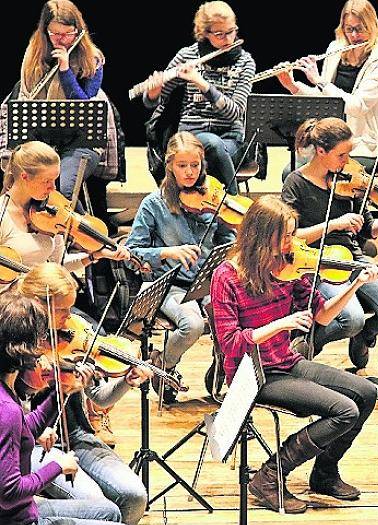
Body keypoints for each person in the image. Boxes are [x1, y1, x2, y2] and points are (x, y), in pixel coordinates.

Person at [210, 195, 378, 513]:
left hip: (286, 361)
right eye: (285, 235)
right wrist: (281, 324)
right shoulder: (227, 277)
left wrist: (354, 285)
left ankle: (325, 472)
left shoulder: (289, 266)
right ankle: (270, 475)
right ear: (262, 237)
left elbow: (324, 315)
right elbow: (231, 343)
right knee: (345, 410)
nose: (293, 241)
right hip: (254, 372)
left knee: (367, 392)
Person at [15, 263, 150, 525]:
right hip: (37, 445)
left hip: (77, 435)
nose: (70, 317)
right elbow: (11, 416)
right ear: (37, 305)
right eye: (62, 309)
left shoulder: (74, 334)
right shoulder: (17, 345)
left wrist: (126, 381)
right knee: (99, 505)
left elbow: (100, 398)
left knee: (134, 496)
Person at [282, 117, 378, 369]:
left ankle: (365, 334)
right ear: (321, 151)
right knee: (351, 318)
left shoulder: (348, 181)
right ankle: (306, 345)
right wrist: (334, 224)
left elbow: (370, 229)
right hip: (319, 264)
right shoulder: (296, 183)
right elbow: (290, 237)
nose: (347, 161)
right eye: (341, 155)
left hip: (355, 260)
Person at [0, 293, 129, 525]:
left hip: (22, 511)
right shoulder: (6, 408)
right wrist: (58, 466)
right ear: (26, 349)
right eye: (40, 340)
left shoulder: (5, 391)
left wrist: (61, 392)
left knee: (109, 511)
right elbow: (9, 492)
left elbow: (23, 429)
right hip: (18, 522)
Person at [126, 131, 236, 403]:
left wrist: (229, 251)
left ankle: (224, 368)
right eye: (182, 166)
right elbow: (132, 251)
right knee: (193, 324)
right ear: (170, 166)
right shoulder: (154, 203)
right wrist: (167, 252)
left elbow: (227, 238)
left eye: (195, 166)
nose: (189, 173)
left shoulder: (212, 198)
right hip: (170, 284)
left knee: (235, 319)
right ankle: (163, 364)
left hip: (208, 282)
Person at [0, 0, 121, 218]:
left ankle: (86, 235)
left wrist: (65, 70)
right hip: (43, 140)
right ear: (45, 31)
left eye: (68, 34)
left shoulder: (93, 59)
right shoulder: (34, 56)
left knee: (65, 189)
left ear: (79, 31)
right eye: (54, 34)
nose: (61, 40)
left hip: (83, 143)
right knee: (30, 181)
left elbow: (85, 102)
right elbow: (27, 96)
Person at [276, 0, 378, 179]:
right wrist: (293, 86)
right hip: (329, 141)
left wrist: (319, 81)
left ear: (372, 25)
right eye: (349, 29)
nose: (354, 35)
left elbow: (358, 106)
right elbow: (324, 102)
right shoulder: (336, 50)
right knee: (291, 173)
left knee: (324, 177)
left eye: (360, 28)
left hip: (363, 146)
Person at [141, 1, 255, 195]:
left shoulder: (245, 62)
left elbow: (235, 113)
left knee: (213, 146)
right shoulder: (188, 56)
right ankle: (232, 208)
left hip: (230, 139)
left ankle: (230, 206)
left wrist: (202, 83)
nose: (227, 39)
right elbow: (152, 102)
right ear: (205, 33)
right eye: (219, 34)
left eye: (231, 31)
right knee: (206, 146)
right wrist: (154, 90)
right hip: (190, 137)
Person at [0, 141, 130, 271]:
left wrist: (96, 255)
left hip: (44, 288)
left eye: (54, 179)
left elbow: (58, 267)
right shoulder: (2, 214)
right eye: (46, 181)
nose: (53, 188)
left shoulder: (49, 210)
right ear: (24, 177)